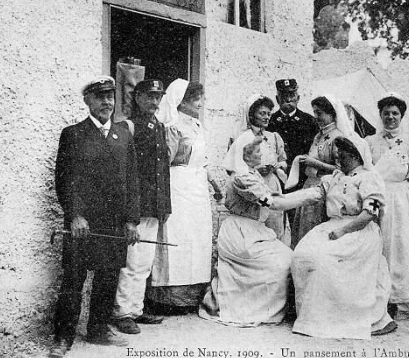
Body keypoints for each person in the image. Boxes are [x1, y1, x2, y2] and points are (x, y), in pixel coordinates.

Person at [50, 76, 139, 358]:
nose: (107, 102)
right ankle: (63, 337)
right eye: (100, 97)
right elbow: (65, 180)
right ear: (87, 100)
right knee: (74, 279)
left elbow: (132, 180)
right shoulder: (74, 134)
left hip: (114, 222)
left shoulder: (123, 134)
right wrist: (75, 215)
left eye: (110, 97)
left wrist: (132, 220)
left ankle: (98, 330)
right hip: (83, 223)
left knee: (108, 276)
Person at [278, 136, 396, 339]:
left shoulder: (370, 179)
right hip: (332, 227)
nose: (338, 161)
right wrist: (276, 200)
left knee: (325, 260)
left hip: (358, 231)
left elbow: (370, 213)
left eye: (342, 157)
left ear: (356, 156)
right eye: (337, 157)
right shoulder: (335, 177)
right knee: (302, 255)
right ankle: (313, 316)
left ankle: (339, 318)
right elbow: (310, 195)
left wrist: (344, 231)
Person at [145, 79, 222, 313]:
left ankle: (191, 297)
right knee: (177, 237)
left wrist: (216, 186)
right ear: (182, 101)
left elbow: (204, 162)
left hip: (197, 189)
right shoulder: (173, 126)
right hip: (178, 187)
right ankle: (167, 299)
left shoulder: (197, 126)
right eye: (196, 99)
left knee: (196, 240)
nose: (200, 103)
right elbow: (164, 163)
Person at [199, 135, 293, 326]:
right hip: (240, 231)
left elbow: (269, 194)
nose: (261, 155)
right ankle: (248, 307)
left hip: (253, 229)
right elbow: (270, 202)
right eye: (258, 152)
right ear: (246, 156)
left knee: (286, 258)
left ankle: (264, 304)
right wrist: (309, 197)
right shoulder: (242, 177)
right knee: (275, 264)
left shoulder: (252, 174)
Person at [111, 79, 170, 334]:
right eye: (149, 97)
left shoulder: (159, 126)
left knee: (145, 262)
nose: (154, 102)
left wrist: (165, 206)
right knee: (132, 261)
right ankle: (122, 312)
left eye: (158, 97)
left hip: (154, 206)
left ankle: (136, 308)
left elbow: (163, 171)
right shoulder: (128, 126)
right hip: (136, 205)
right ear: (137, 98)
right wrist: (129, 213)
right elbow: (123, 172)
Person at [366, 93, 409, 319]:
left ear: (401, 116)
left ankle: (404, 300)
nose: (390, 117)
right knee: (381, 245)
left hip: (403, 200)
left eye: (395, 114)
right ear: (380, 115)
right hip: (378, 197)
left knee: (403, 246)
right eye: (386, 113)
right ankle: (382, 300)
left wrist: (405, 189)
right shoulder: (370, 142)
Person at [224, 95, 289, 244]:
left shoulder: (272, 137)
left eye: (268, 113)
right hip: (250, 189)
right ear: (252, 115)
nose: (266, 117)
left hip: (271, 185)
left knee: (274, 224)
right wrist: (256, 170)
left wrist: (276, 166)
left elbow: (283, 162)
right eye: (262, 113)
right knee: (256, 228)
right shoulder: (242, 138)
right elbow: (233, 169)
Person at [288, 94, 350, 248]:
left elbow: (341, 170)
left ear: (331, 114)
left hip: (325, 190)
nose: (316, 116)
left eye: (320, 113)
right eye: (314, 112)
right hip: (310, 186)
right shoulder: (319, 136)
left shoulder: (337, 138)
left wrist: (314, 163)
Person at [267, 79, 319, 241]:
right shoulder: (270, 121)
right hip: (276, 182)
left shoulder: (309, 121)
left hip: (300, 182)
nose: (288, 100)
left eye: (291, 95)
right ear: (277, 99)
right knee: (274, 227)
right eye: (284, 96)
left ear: (298, 98)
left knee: (300, 227)